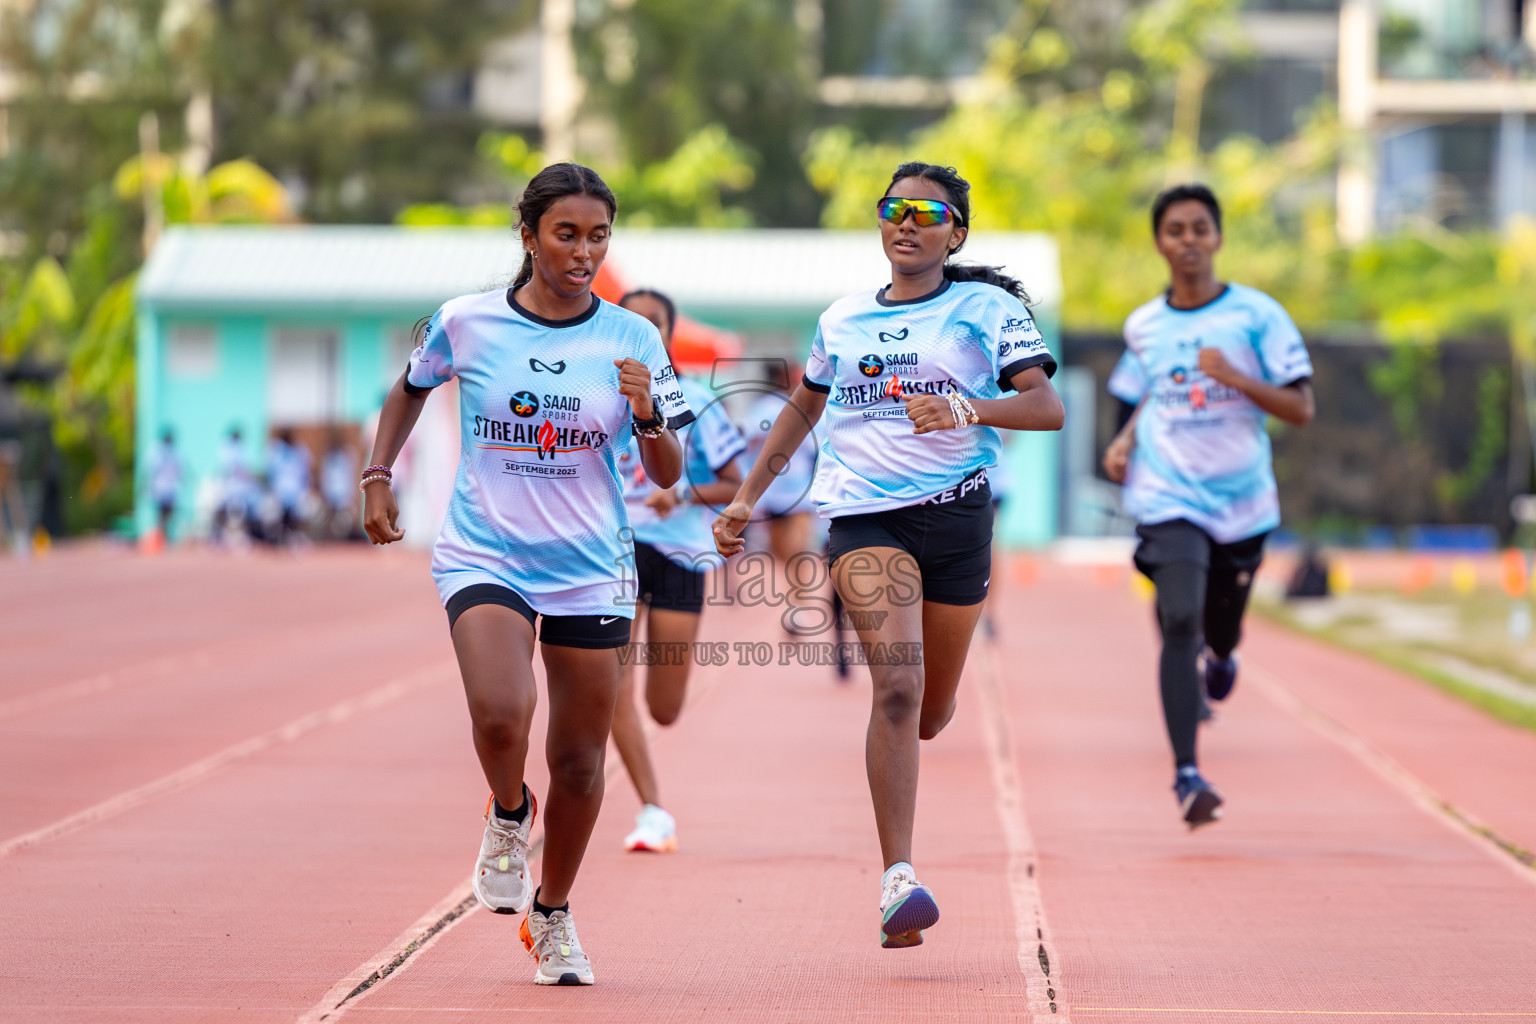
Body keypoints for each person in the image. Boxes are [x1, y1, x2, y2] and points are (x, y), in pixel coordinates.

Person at [714, 161, 1063, 949]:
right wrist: (745, 498)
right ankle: (897, 879)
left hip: (957, 520)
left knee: (932, 712)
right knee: (897, 687)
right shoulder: (841, 320)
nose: (905, 222)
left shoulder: (986, 309)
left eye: (925, 212)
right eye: (892, 209)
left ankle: (903, 825)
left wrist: (965, 407)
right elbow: (802, 407)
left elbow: (1047, 406)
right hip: (866, 519)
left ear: (955, 233)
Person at [361, 163, 692, 986]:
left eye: (599, 236)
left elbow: (665, 472)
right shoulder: (466, 322)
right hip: (487, 552)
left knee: (580, 764)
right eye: (567, 234)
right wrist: (378, 475)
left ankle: (552, 914)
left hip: (591, 568)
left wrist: (647, 411)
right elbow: (409, 389)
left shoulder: (632, 339)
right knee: (502, 712)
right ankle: (510, 810)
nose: (584, 252)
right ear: (529, 235)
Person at [1101, 183, 1314, 829]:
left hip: (1243, 501)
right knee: (1180, 618)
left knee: (1219, 630)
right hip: (1169, 494)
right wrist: (1124, 438)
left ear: (1218, 238)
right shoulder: (1144, 325)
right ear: (1159, 242)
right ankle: (1188, 775)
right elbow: (1144, 394)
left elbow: (1301, 409)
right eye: (1175, 230)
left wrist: (1238, 379)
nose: (1188, 240)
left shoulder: (1257, 316)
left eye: (1200, 228)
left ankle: (1223, 660)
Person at [610, 288, 745, 853]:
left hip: (678, 554)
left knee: (663, 708)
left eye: (653, 325)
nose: (642, 332)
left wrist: (684, 493)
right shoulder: (589, 396)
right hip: (610, 550)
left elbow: (736, 481)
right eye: (631, 322)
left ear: (664, 337)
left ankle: (649, 794)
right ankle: (651, 808)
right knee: (608, 684)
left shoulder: (694, 402)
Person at [149, 430, 184, 540]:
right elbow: (152, 470)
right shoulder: (158, 452)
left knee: (168, 513)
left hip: (169, 487)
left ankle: (164, 534)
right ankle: (161, 535)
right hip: (162, 487)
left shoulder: (174, 452)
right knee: (161, 513)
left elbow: (179, 470)